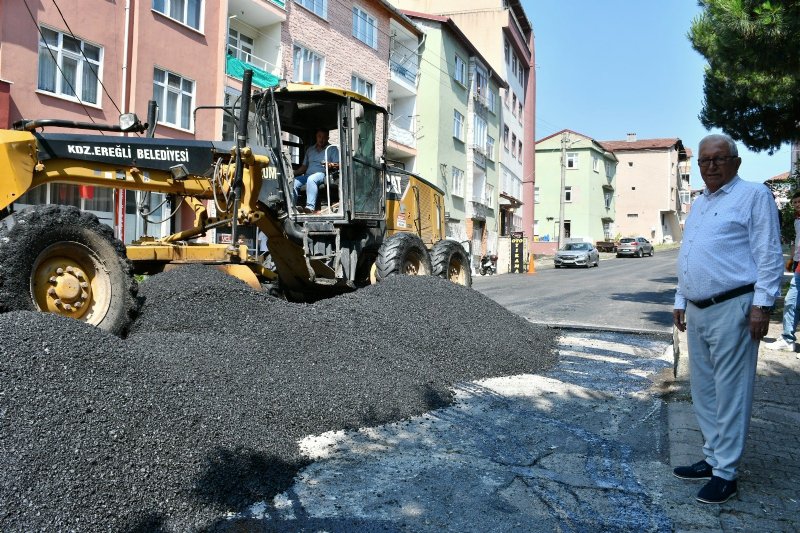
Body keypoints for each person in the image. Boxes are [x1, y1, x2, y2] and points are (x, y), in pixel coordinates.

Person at [672, 133, 783, 504]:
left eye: (719, 159)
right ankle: (712, 456)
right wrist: (680, 297)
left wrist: (762, 305)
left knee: (731, 392)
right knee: (703, 390)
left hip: (735, 307)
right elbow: (688, 253)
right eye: (704, 161)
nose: (711, 166)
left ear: (735, 162)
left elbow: (767, 254)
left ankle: (726, 473)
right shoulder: (700, 203)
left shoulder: (754, 195)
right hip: (699, 309)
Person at [763, 191, 800, 354]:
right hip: (799, 266)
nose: (797, 205)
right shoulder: (797, 220)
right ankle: (787, 338)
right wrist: (792, 259)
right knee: (791, 301)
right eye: (795, 203)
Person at [292, 129, 339, 214]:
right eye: (319, 137)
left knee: (311, 179)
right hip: (307, 175)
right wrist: (292, 174)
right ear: (316, 137)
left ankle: (310, 207)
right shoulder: (310, 150)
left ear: (328, 138)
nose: (321, 139)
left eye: (324, 137)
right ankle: (292, 207)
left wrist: (330, 165)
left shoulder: (332, 149)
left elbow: (338, 164)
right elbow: (304, 167)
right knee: (294, 182)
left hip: (322, 174)